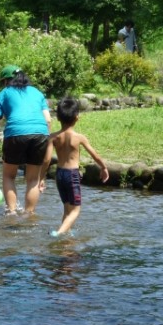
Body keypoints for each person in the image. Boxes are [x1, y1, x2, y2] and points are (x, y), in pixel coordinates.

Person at [0, 65, 52, 215]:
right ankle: (29, 215)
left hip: (15, 133)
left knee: (8, 175)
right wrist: (45, 140)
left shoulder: (4, 93)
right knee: (33, 179)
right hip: (40, 133)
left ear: (6, 81)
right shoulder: (37, 92)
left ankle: (11, 213)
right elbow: (48, 120)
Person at [42, 96, 109, 236]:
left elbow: (47, 160)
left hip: (59, 174)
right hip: (72, 174)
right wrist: (103, 167)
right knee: (75, 210)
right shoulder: (79, 137)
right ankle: (59, 233)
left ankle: (66, 236)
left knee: (67, 208)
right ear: (77, 117)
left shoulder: (53, 137)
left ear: (58, 118)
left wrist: (41, 177)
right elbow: (94, 155)